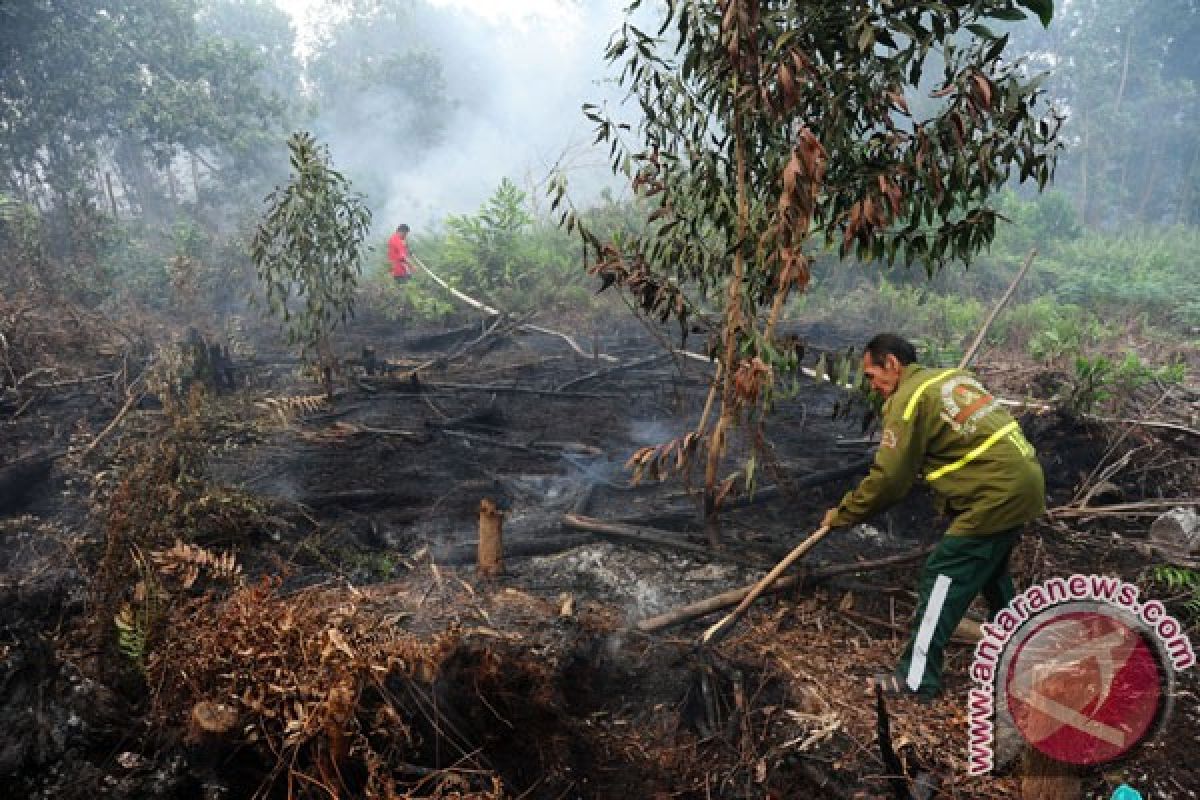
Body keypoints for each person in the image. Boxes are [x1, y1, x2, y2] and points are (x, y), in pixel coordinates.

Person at [820, 333, 1045, 701]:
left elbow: (890, 480)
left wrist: (845, 514)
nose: (873, 387)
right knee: (992, 574)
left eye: (872, 376)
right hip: (1024, 482)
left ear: (892, 364)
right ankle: (1023, 651)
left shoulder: (908, 400)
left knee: (941, 577)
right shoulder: (950, 378)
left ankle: (916, 679)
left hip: (996, 495)